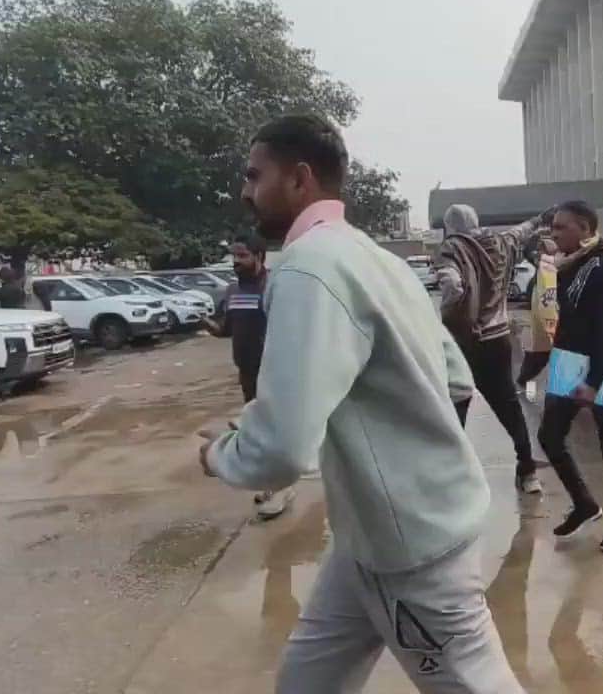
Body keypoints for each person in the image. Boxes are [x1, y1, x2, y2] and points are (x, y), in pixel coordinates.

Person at [199, 114, 523, 693]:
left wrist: (221, 453)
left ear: (299, 179)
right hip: (372, 536)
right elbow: (455, 377)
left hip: (412, 550)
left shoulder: (308, 268)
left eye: (254, 175)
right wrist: (412, 457)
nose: (246, 191)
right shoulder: (379, 260)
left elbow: (282, 450)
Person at [536, 200, 603, 554]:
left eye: (561, 227)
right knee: (550, 436)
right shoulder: (572, 264)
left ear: (585, 228)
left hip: (600, 366)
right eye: (553, 227)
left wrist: (594, 381)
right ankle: (584, 504)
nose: (554, 234)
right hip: (568, 361)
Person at [437, 204, 545, 495]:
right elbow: (522, 231)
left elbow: (452, 286)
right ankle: (528, 471)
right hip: (498, 339)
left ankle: (453, 475)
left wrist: (455, 314)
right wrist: (538, 219)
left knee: (456, 403)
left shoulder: (452, 249)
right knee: (508, 404)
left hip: (465, 342)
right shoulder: (500, 242)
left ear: (449, 226)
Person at [209, 234, 296, 520]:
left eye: (243, 256)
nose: (236, 261)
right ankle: (273, 485)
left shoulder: (274, 286)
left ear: (259, 256)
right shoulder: (233, 290)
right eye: (234, 256)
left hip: (275, 372)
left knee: (276, 432)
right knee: (258, 433)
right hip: (247, 372)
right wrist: (210, 326)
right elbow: (227, 329)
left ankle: (281, 488)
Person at [517, 236, 559, 398]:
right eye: (538, 249)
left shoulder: (548, 269)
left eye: (542, 250)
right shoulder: (542, 269)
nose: (537, 253)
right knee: (533, 361)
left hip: (544, 326)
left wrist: (551, 326)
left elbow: (548, 301)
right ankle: (528, 392)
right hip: (536, 325)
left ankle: (528, 391)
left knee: (535, 362)